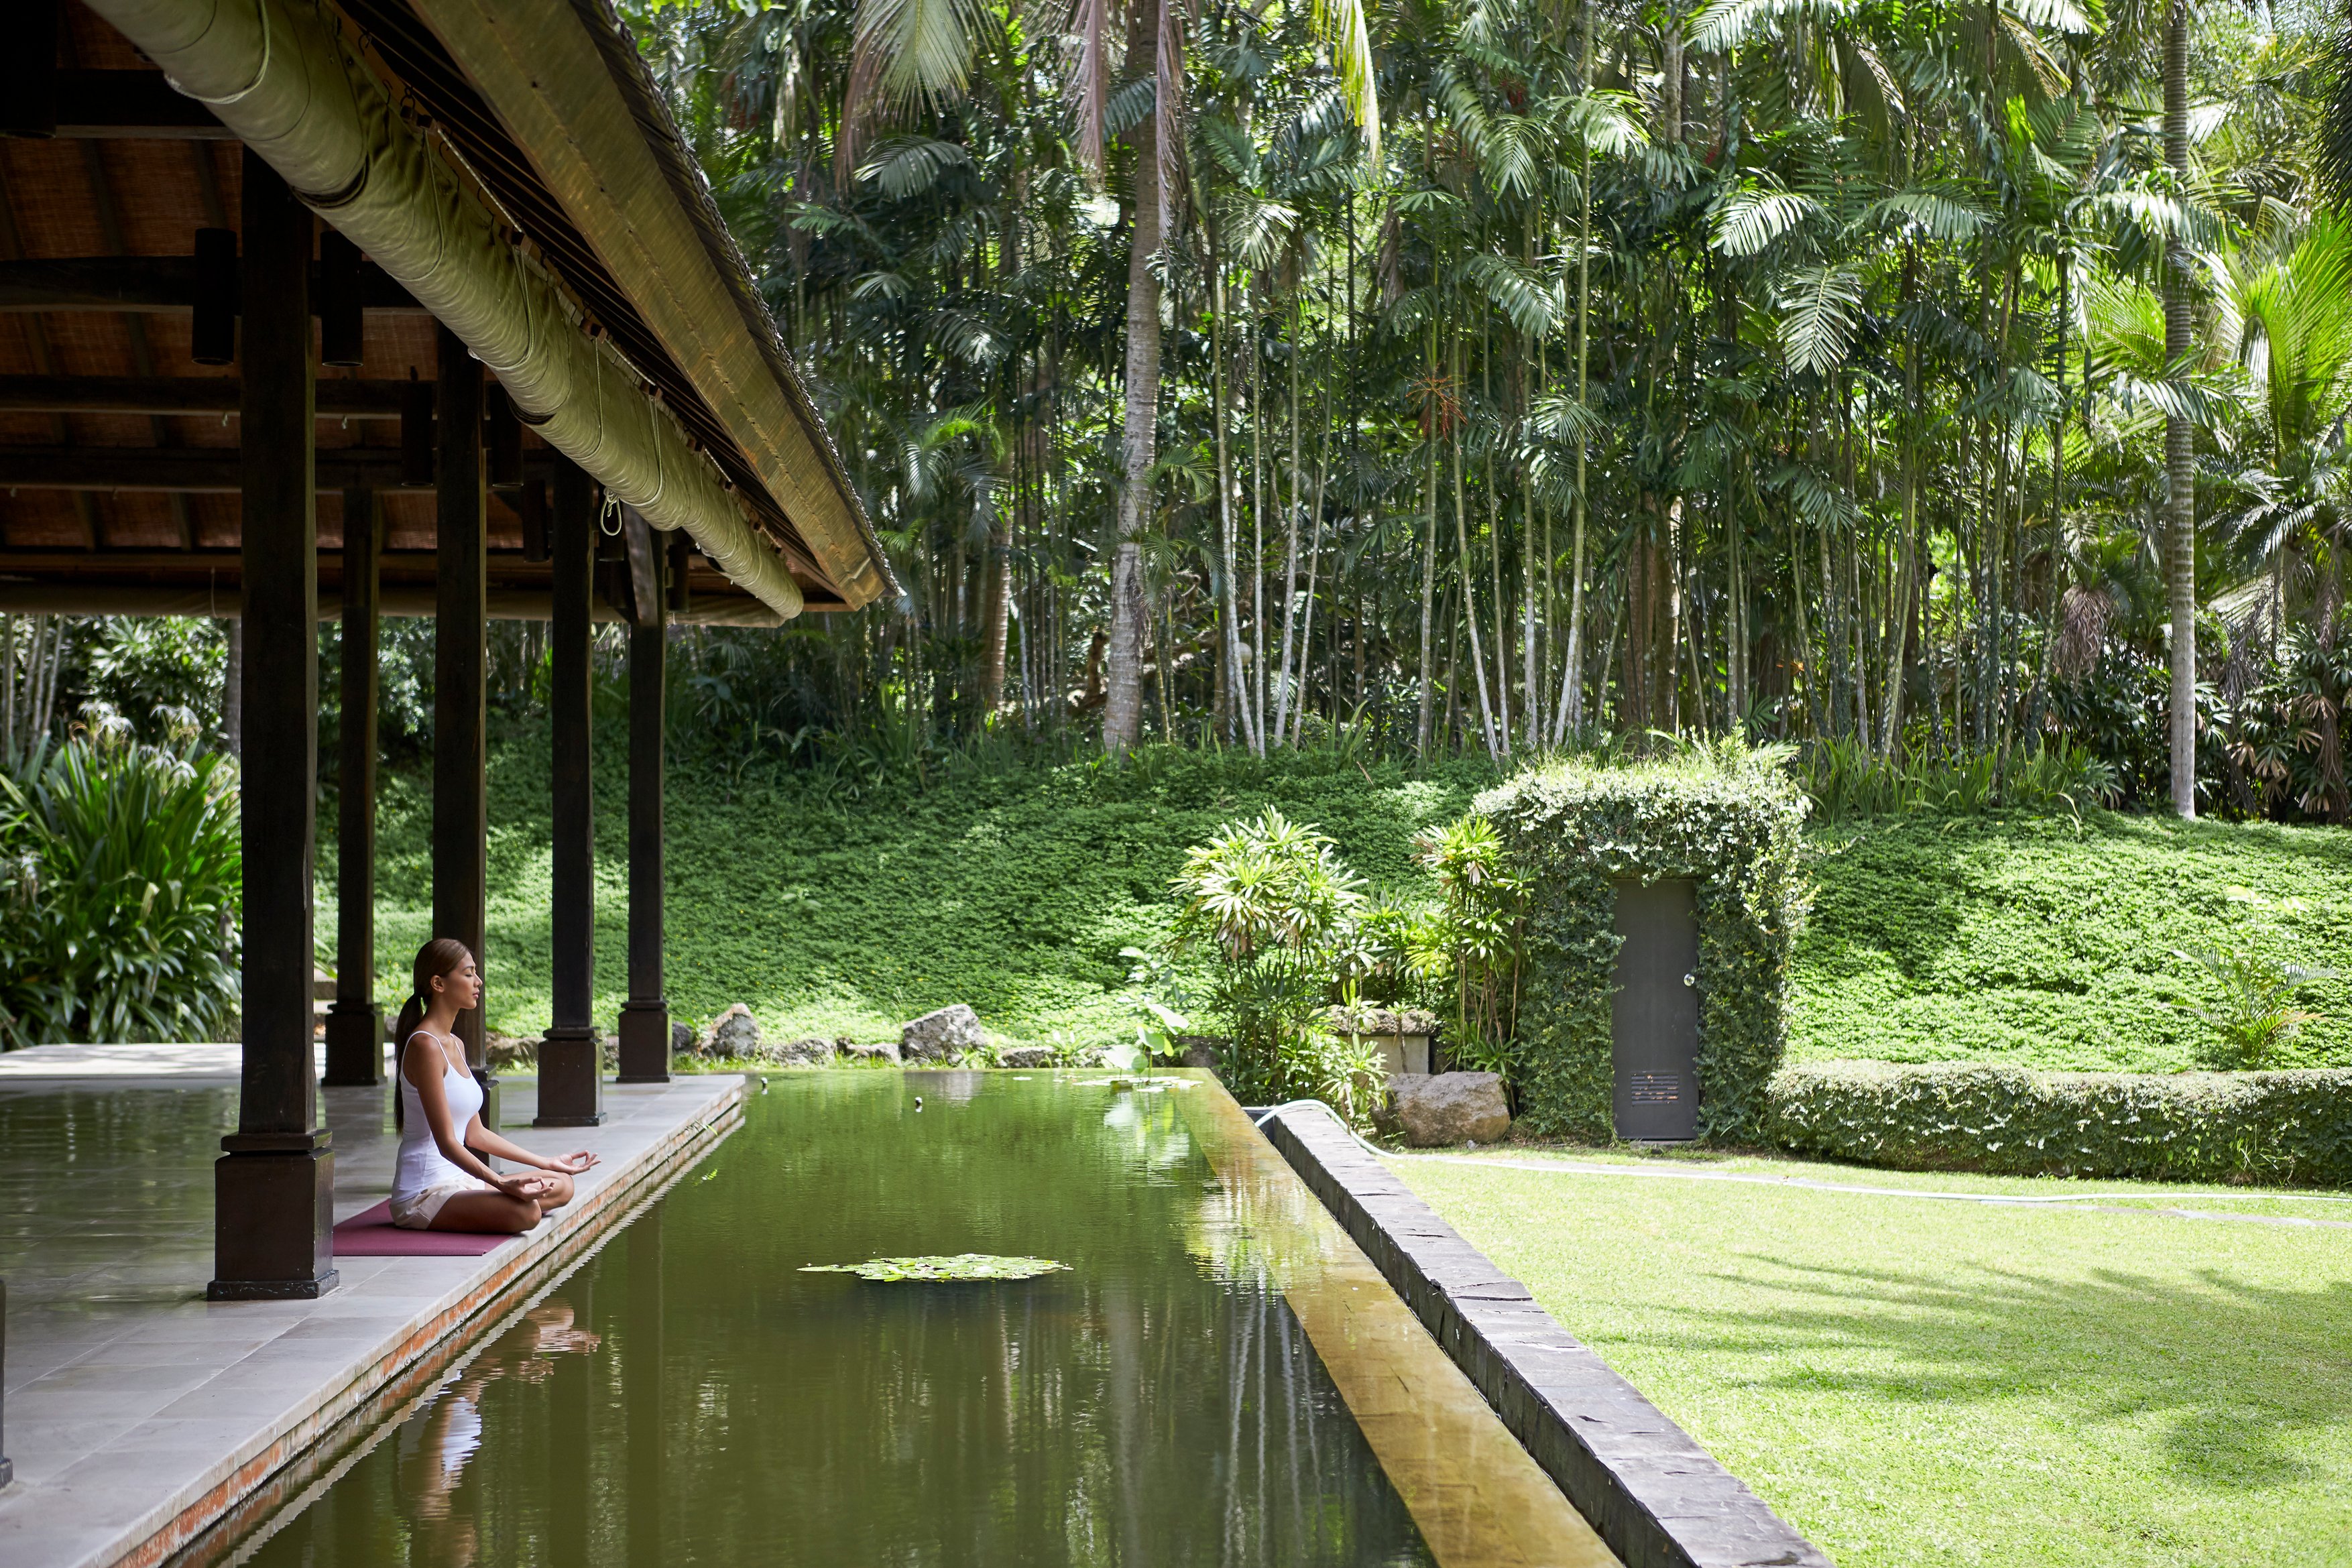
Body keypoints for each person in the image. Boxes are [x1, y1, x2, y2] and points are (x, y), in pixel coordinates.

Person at [390, 939, 599, 1233]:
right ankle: (496, 1199)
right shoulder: (425, 1045)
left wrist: (547, 1161)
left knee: (563, 1184)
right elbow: (447, 1143)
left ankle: (511, 1190)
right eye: (468, 973)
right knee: (527, 1213)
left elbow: (475, 1134)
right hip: (425, 1192)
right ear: (438, 983)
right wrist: (501, 1183)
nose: (479, 981)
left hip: (461, 1181)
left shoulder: (456, 1045)